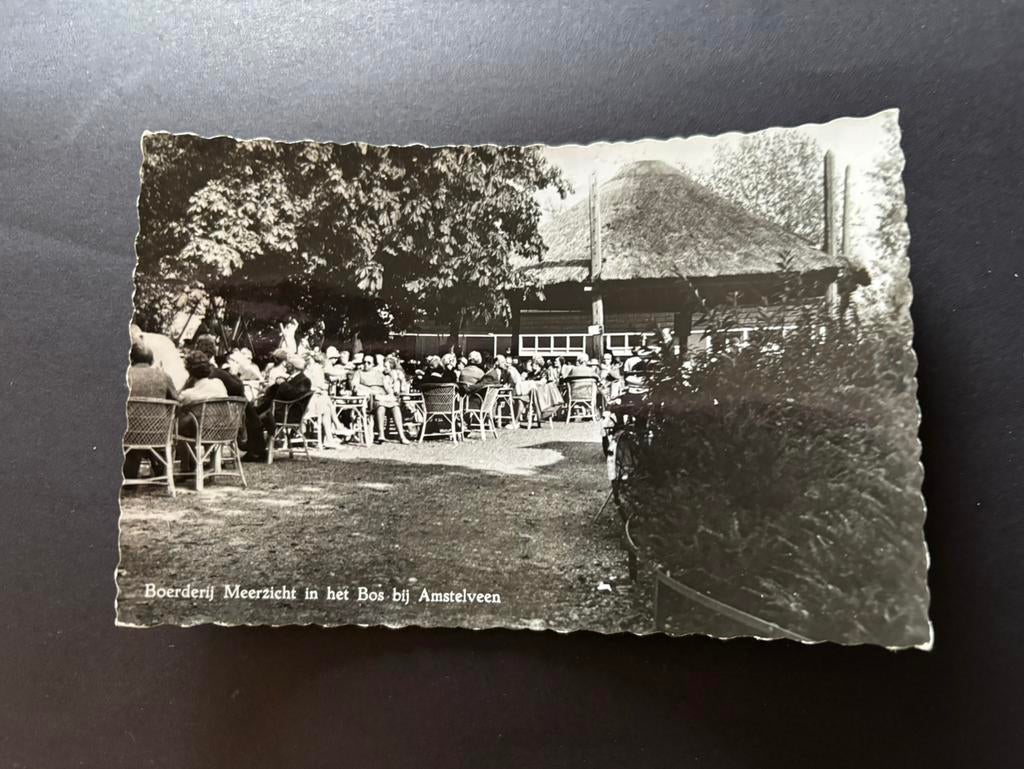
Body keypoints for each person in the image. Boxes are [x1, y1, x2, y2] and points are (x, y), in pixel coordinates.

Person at [124, 343, 179, 480]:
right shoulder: (164, 376)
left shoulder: (124, 375)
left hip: (127, 433)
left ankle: (129, 472)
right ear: (152, 360)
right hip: (158, 433)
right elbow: (176, 402)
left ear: (131, 359)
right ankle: (158, 465)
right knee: (151, 424)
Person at [243, 354, 313, 461]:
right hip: (277, 409)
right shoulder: (291, 378)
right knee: (250, 414)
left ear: (293, 367)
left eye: (288, 365)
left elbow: (292, 395)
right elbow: (272, 393)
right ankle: (255, 449)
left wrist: (283, 383)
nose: (285, 366)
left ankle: (256, 451)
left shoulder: (304, 380)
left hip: (287, 414)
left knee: (254, 419)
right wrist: (277, 383)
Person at [351, 356, 410, 444]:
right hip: (371, 398)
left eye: (369, 363)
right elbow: (355, 387)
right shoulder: (359, 373)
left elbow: (387, 387)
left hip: (383, 396)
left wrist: (390, 393)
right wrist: (370, 391)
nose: (366, 364)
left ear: (373, 364)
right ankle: (381, 435)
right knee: (381, 406)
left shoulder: (379, 374)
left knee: (395, 407)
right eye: (364, 362)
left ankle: (402, 436)